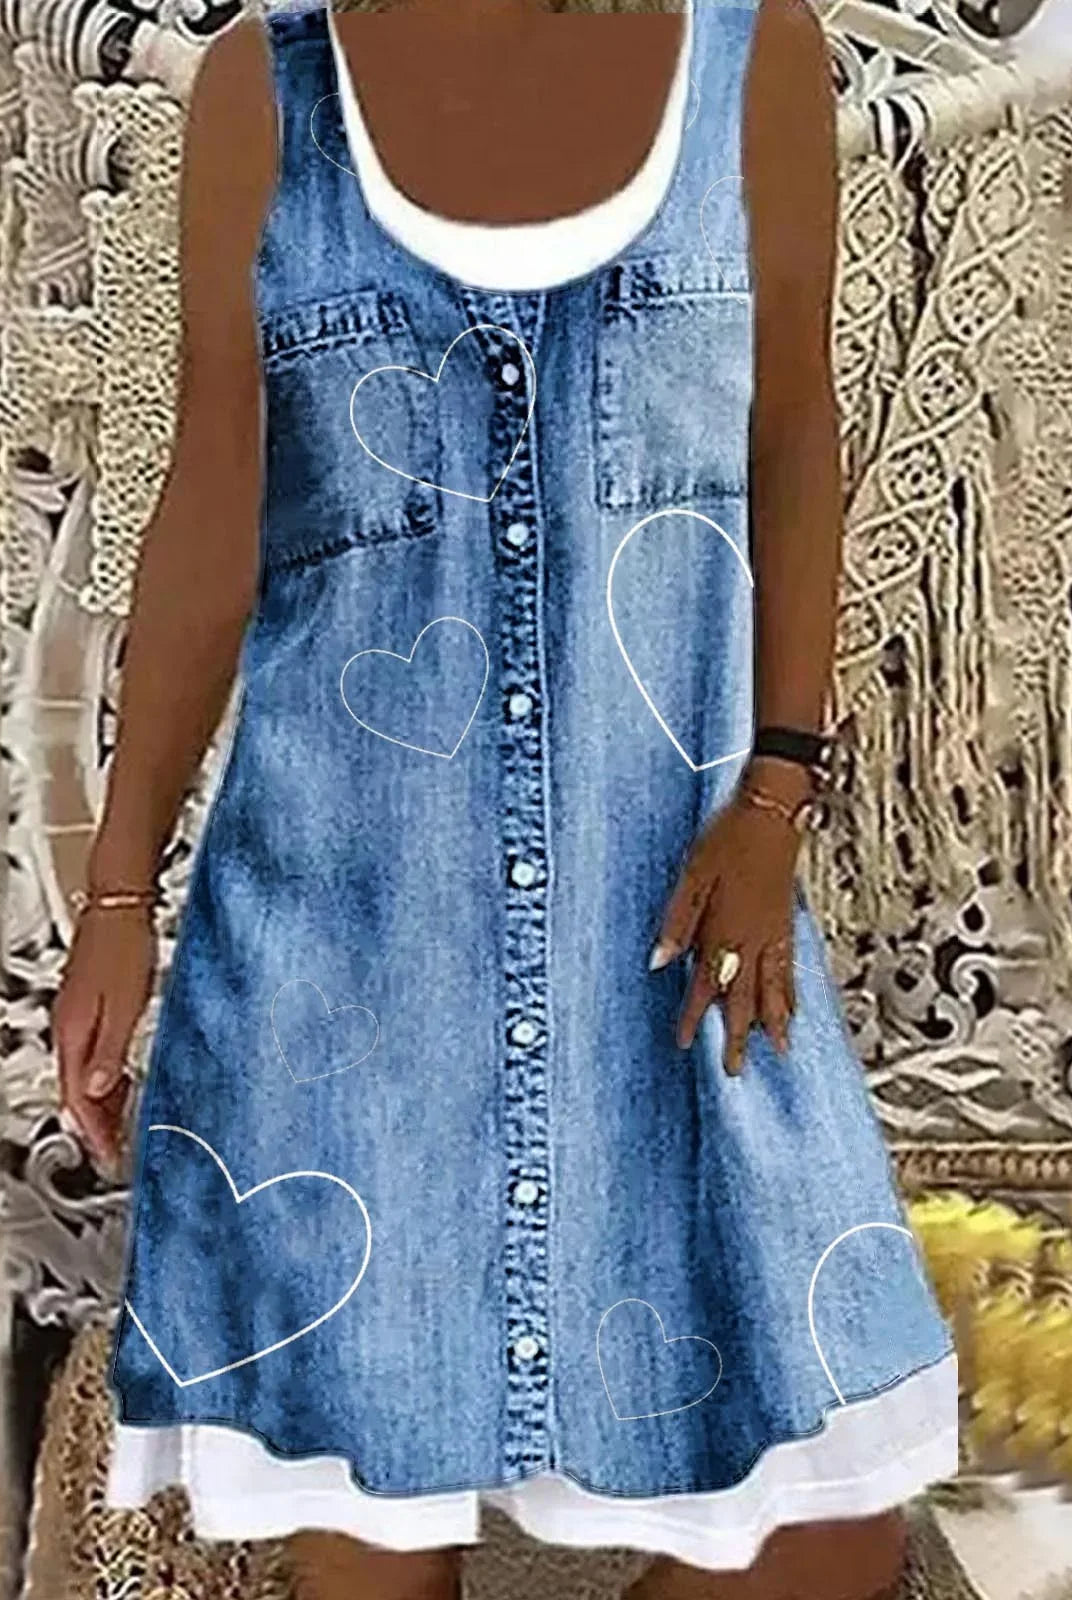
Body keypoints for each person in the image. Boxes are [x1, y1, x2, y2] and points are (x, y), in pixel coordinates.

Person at [52, 1, 959, 1597]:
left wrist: (779, 787)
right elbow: (211, 504)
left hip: (666, 919)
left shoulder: (750, 57)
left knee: (826, 1537)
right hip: (341, 948)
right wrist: (118, 897)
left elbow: (795, 428)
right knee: (374, 1526)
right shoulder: (269, 90)